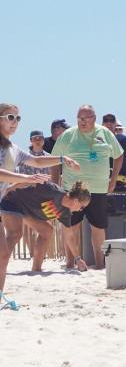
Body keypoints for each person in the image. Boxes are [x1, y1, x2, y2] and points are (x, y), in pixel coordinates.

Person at [0, 103, 79, 302]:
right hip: (9, 202)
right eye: (10, 117)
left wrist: (62, 159)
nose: (15, 122)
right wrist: (24, 179)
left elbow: (36, 162)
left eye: (18, 118)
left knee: (3, 255)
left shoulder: (12, 148)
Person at [51, 105, 123, 270]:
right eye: (79, 117)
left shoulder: (105, 133)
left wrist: (113, 180)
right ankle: (70, 263)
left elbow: (119, 156)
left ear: (94, 118)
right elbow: (55, 160)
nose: (82, 121)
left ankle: (100, 264)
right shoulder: (68, 135)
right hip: (73, 189)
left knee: (98, 227)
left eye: (86, 117)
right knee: (71, 226)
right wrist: (55, 186)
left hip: (98, 188)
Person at [0, 181, 91, 275]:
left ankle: (36, 269)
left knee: (47, 231)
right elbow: (31, 180)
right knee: (15, 234)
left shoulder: (65, 213)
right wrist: (9, 188)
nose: (81, 210)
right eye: (82, 207)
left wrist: (78, 259)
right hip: (11, 199)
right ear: (76, 201)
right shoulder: (53, 191)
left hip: (26, 211)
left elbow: (69, 236)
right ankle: (1, 267)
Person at [17, 130, 51, 256]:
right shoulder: (24, 157)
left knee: (47, 223)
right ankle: (32, 253)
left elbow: (51, 177)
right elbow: (20, 176)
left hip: (46, 195)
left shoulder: (49, 157)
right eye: (35, 138)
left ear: (43, 140)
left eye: (40, 138)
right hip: (27, 194)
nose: (37, 140)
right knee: (28, 227)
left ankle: (42, 254)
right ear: (31, 140)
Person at [102, 113, 126, 193]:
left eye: (112, 121)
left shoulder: (125, 140)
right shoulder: (96, 141)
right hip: (101, 188)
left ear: (115, 124)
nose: (109, 123)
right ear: (102, 124)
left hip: (122, 187)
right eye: (106, 121)